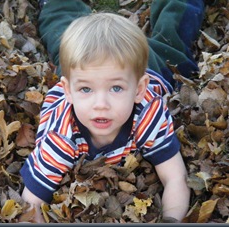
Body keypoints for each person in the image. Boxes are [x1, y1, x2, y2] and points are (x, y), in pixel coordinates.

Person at [20, 0, 205, 223]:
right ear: (68, 91)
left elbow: (175, 177)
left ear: (139, 90)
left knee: (174, 37)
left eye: (115, 88)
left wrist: (171, 219)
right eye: (86, 89)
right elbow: (32, 204)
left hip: (152, 66)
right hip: (87, 68)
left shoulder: (147, 113)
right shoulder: (61, 137)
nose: (101, 104)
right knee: (63, 33)